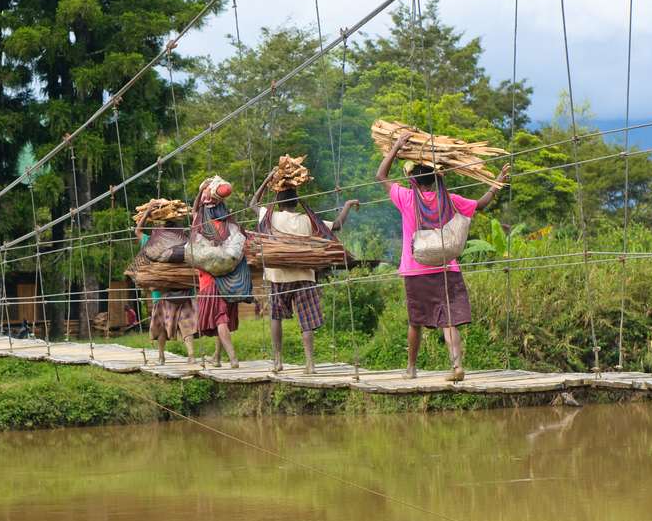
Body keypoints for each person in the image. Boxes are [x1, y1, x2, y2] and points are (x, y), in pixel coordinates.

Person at [377, 132, 510, 381]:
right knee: (449, 320)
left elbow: (380, 176)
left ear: (413, 180)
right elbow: (480, 205)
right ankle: (456, 366)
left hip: (415, 270)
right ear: (436, 179)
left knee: (415, 322)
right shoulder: (449, 199)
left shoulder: (406, 198)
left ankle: (411, 369)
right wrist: (496, 183)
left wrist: (395, 147)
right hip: (447, 268)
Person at [249, 167, 360, 374]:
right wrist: (346, 205)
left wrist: (266, 180)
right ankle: (310, 364)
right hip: (304, 277)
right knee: (306, 320)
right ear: (296, 202)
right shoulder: (308, 220)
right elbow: (336, 225)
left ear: (279, 202)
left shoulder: (270, 216)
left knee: (276, 317)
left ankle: (278, 360)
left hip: (278, 276)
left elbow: (253, 204)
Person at [190, 177, 250, 369]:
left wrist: (201, 191)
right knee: (221, 318)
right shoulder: (230, 227)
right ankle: (216, 356)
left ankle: (232, 358)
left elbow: (195, 210)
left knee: (220, 319)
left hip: (210, 281)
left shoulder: (201, 226)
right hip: (230, 281)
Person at [134, 200, 198, 365]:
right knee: (187, 323)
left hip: (161, 293)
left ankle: (161, 357)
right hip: (184, 290)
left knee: (160, 325)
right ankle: (191, 355)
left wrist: (147, 211)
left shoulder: (152, 241)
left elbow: (137, 231)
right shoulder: (184, 240)